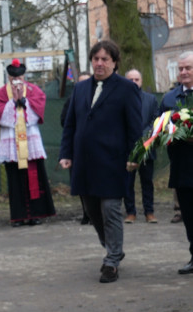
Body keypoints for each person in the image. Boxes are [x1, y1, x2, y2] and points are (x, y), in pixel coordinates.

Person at [59, 40, 142, 283]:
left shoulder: (126, 88)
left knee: (110, 210)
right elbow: (71, 125)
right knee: (93, 211)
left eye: (105, 59)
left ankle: (112, 260)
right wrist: (66, 153)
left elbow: (134, 127)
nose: (99, 63)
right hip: (84, 163)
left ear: (115, 63)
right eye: (96, 59)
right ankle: (112, 247)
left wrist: (135, 156)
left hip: (113, 163)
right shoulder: (81, 89)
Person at [0, 59, 55, 226]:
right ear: (9, 77)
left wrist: (26, 103)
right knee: (15, 179)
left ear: (24, 76)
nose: (16, 80)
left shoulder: (33, 90)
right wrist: (13, 103)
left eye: (19, 77)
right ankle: (18, 216)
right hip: (12, 142)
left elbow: (40, 104)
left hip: (30, 141)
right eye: (13, 77)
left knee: (33, 176)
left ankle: (35, 214)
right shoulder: (0, 93)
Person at [158, 51, 193, 274]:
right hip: (183, 167)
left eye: (188, 68)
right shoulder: (169, 99)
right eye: (180, 69)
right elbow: (161, 130)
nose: (183, 72)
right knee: (189, 217)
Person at [123, 68, 158, 224]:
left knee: (147, 182)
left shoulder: (151, 100)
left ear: (141, 81)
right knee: (127, 182)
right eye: (130, 80)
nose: (134, 82)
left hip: (146, 148)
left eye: (136, 79)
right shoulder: (120, 100)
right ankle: (130, 213)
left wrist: (143, 137)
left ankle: (149, 212)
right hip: (127, 150)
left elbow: (155, 122)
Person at [60, 72, 91, 224]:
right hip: (77, 149)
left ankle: (96, 213)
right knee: (80, 182)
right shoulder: (71, 101)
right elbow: (65, 122)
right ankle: (87, 213)